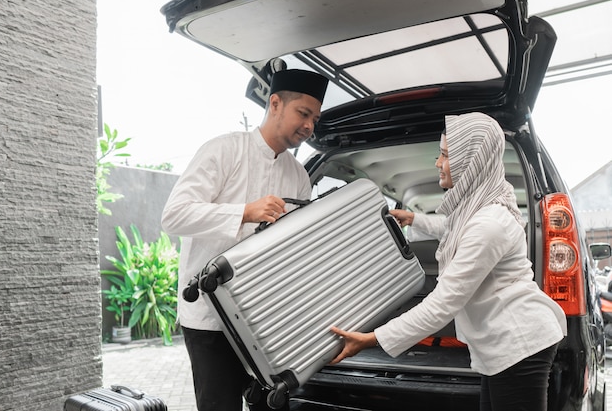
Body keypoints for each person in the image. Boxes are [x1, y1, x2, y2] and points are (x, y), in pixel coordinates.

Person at [330, 112, 567, 411]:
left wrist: (372, 338)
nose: (437, 163)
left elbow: (444, 303)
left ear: (472, 159)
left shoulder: (488, 224)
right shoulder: (482, 207)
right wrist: (414, 218)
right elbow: (453, 226)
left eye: (444, 155)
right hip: (503, 344)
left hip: (519, 342)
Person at [161, 69, 329, 411]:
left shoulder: (298, 176)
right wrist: (244, 212)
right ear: (276, 103)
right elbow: (174, 215)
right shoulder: (223, 151)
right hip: (209, 319)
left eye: (315, 118)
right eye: (304, 113)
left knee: (271, 405)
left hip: (264, 320)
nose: (310, 126)